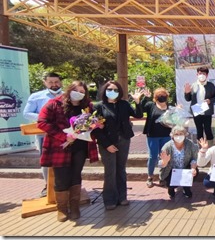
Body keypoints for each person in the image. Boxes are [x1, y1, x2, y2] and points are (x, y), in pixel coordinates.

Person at [37, 80, 99, 222]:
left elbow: (90, 123)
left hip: (80, 147)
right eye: (76, 90)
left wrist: (94, 126)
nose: (79, 94)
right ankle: (62, 209)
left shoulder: (87, 105)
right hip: (60, 147)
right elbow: (42, 122)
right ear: (69, 90)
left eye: (82, 92)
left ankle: (75, 206)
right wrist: (64, 136)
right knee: (61, 177)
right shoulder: (54, 104)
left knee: (75, 175)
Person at [93, 81, 144, 210]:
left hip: (124, 140)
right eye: (110, 89)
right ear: (104, 91)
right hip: (107, 142)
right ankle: (110, 199)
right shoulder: (99, 106)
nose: (113, 92)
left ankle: (122, 197)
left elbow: (138, 115)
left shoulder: (124, 104)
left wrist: (138, 102)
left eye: (116, 90)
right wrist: (107, 144)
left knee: (121, 168)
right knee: (110, 170)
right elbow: (95, 129)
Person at [23, 72, 63, 198]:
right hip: (44, 134)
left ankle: (64, 185)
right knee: (46, 161)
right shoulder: (36, 97)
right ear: (45, 82)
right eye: (50, 82)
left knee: (64, 161)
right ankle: (48, 185)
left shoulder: (67, 96)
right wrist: (45, 118)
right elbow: (27, 113)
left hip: (64, 135)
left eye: (56, 82)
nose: (54, 85)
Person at [141, 87, 173, 188]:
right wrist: (144, 98)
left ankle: (162, 177)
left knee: (164, 156)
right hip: (152, 136)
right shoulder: (151, 105)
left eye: (163, 95)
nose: (161, 97)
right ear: (155, 97)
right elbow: (141, 109)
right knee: (152, 156)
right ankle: (150, 176)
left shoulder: (170, 107)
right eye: (159, 95)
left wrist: (178, 111)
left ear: (167, 97)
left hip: (166, 136)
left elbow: (176, 120)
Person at [158, 125, 199, 200]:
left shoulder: (190, 144)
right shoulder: (167, 146)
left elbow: (194, 158)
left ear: (185, 135)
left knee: (195, 172)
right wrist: (165, 162)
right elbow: (160, 163)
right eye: (176, 134)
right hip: (171, 170)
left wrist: (193, 168)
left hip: (185, 169)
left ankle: (186, 187)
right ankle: (171, 188)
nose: (179, 136)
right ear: (172, 136)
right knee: (169, 181)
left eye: (181, 134)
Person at [184, 67, 215, 144]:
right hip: (197, 110)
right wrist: (186, 93)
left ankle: (210, 147)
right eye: (200, 73)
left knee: (208, 129)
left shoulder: (210, 85)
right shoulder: (193, 85)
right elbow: (188, 99)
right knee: (199, 130)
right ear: (197, 74)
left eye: (204, 73)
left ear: (207, 75)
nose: (202, 75)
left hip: (207, 110)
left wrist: (210, 100)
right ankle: (201, 148)